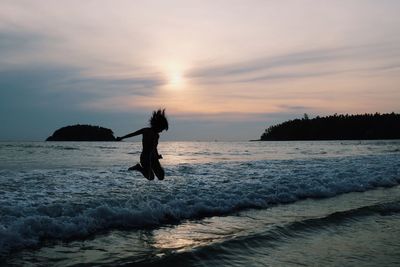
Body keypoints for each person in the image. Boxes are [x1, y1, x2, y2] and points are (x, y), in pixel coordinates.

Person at [116, 109, 168, 180]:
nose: (161, 131)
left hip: (153, 158)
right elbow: (133, 134)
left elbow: (154, 147)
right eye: (161, 129)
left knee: (161, 176)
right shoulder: (146, 131)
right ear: (157, 125)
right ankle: (139, 168)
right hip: (145, 157)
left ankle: (144, 168)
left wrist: (157, 155)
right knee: (151, 177)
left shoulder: (156, 135)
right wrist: (122, 137)